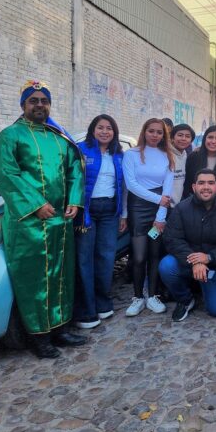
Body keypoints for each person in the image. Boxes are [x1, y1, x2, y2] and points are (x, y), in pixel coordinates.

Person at [0, 80, 86, 359]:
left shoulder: (59, 138)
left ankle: (60, 329)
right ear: (23, 105)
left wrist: (74, 200)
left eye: (44, 101)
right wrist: (36, 205)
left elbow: (74, 170)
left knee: (60, 275)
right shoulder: (10, 136)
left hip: (60, 220)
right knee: (35, 280)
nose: (39, 105)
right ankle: (39, 336)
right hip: (28, 223)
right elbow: (6, 174)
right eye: (33, 100)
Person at [159, 169, 216, 321]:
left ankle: (204, 286)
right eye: (201, 183)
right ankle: (185, 300)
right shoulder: (181, 209)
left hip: (215, 265)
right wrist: (195, 261)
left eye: (210, 183)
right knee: (167, 266)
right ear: (194, 187)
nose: (206, 187)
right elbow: (172, 239)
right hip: (187, 262)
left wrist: (209, 257)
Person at [73, 114, 127, 330]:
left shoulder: (118, 154)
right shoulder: (80, 150)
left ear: (114, 132)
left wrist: (123, 214)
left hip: (109, 212)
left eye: (109, 128)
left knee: (106, 258)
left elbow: (124, 187)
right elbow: (71, 180)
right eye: (100, 127)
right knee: (85, 259)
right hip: (86, 211)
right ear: (92, 130)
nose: (105, 132)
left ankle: (103, 302)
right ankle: (86, 310)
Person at [123, 119, 175, 317]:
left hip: (158, 210)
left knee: (155, 255)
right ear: (144, 132)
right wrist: (158, 199)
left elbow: (167, 190)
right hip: (138, 208)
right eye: (151, 131)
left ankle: (152, 295)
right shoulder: (131, 154)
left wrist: (161, 216)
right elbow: (131, 185)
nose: (155, 135)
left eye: (159, 132)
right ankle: (137, 297)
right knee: (138, 256)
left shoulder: (167, 156)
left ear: (164, 135)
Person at [183, 125, 216, 199]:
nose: (213, 141)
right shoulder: (193, 157)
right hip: (194, 201)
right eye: (210, 137)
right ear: (205, 139)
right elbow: (187, 184)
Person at [169, 123, 196, 207]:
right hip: (163, 203)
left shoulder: (186, 155)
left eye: (187, 136)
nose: (183, 139)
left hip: (178, 203)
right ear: (172, 138)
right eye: (180, 135)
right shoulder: (165, 154)